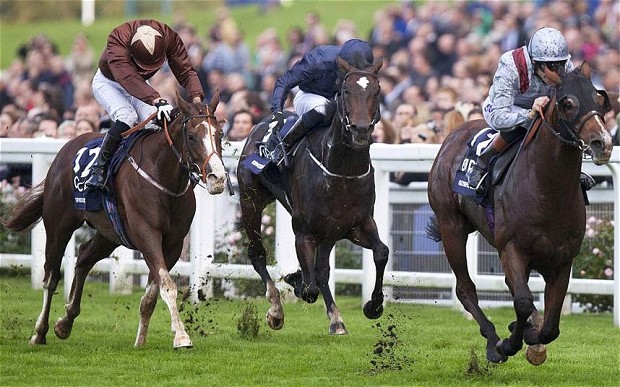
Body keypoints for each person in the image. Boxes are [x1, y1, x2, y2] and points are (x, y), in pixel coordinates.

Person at [466, 27, 595, 193]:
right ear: (536, 63)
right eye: (553, 67)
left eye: (562, 64)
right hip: (504, 107)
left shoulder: (564, 65)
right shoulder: (511, 64)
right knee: (524, 126)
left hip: (543, 105)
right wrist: (529, 114)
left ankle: (571, 171)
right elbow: (499, 117)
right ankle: (483, 162)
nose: (559, 72)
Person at [86, 19, 205, 190]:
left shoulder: (168, 37)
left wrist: (197, 100)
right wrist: (156, 99)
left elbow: (185, 70)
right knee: (127, 116)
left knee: (154, 123)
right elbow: (128, 78)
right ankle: (99, 169)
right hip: (108, 82)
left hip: (139, 84)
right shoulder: (117, 39)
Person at [260, 38, 375, 164]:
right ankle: (280, 145)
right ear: (342, 62)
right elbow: (285, 82)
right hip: (309, 96)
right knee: (323, 107)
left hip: (338, 101)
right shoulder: (319, 60)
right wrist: (277, 111)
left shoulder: (363, 70)